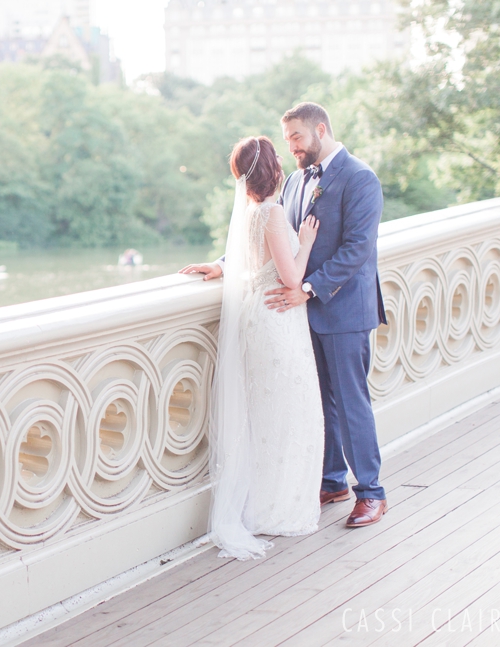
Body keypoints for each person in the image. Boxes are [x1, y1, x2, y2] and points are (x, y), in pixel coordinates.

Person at [182, 102, 389, 530]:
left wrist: (307, 289)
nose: (291, 146)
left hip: (341, 308)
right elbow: (273, 236)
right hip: (295, 312)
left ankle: (371, 492)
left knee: (350, 403)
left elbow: (357, 249)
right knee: (319, 400)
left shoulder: (360, 178)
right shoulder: (295, 181)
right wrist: (223, 264)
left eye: (296, 137)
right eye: (287, 139)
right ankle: (331, 482)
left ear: (320, 129)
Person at [181, 135, 324, 559]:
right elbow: (292, 278)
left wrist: (218, 265)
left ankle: (259, 504)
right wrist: (308, 240)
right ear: (271, 169)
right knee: (289, 412)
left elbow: (246, 263)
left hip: (258, 320)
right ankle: (279, 510)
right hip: (278, 321)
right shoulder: (273, 213)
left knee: (263, 415)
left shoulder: (247, 214)